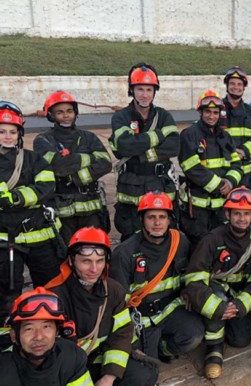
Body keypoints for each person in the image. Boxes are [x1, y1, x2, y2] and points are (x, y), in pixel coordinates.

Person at [45, 227, 158, 386]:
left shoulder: (113, 290)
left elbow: (122, 333)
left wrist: (109, 377)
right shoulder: (53, 298)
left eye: (100, 261)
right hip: (67, 368)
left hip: (98, 358)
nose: (94, 269)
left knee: (140, 374)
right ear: (71, 261)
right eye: (86, 261)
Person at [183, 187, 251, 379]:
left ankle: (228, 321)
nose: (242, 219)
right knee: (215, 303)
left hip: (239, 295)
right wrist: (218, 308)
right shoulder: (212, 239)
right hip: (215, 291)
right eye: (237, 213)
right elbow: (194, 279)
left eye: (247, 214)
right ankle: (214, 350)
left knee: (240, 340)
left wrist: (240, 305)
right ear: (228, 214)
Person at [110, 192, 203, 363]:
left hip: (171, 309)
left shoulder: (180, 241)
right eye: (151, 217)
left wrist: (189, 293)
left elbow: (190, 275)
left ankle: (163, 349)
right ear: (142, 220)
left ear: (169, 220)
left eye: (162, 217)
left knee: (194, 335)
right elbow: (118, 303)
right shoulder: (124, 253)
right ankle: (151, 348)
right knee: (146, 370)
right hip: (141, 318)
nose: (157, 223)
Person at [0, 102, 59, 320]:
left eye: (12, 132)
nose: (7, 136)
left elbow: (46, 186)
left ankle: (50, 325)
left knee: (50, 286)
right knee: (7, 293)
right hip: (6, 242)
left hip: (38, 238)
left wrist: (16, 198)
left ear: (20, 133)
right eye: (2, 131)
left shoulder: (34, 159)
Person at [109, 63, 180, 240]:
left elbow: (174, 145)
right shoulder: (121, 117)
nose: (145, 94)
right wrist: (159, 135)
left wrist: (143, 153)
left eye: (149, 89)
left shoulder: (164, 116)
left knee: (163, 232)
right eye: (140, 89)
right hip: (131, 185)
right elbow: (126, 146)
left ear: (155, 91)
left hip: (161, 183)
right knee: (131, 233)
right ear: (131, 90)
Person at [34, 90, 112, 242]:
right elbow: (58, 166)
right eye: (60, 112)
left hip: (91, 209)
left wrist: (77, 177)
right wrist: (89, 158)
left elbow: (105, 163)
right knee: (64, 254)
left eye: (69, 111)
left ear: (75, 112)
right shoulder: (42, 140)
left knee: (93, 250)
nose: (65, 115)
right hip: (61, 210)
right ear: (51, 115)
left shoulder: (89, 137)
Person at [0, 287, 95, 386]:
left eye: (46, 327)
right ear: (14, 336)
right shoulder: (3, 369)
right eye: (29, 329)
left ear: (56, 332)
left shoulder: (72, 358)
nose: (39, 337)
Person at [178, 90, 243, 244]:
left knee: (219, 245)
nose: (212, 116)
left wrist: (230, 182)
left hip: (221, 208)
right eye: (207, 111)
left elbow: (237, 164)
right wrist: (220, 185)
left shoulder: (225, 136)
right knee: (197, 246)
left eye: (215, 112)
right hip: (197, 209)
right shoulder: (189, 134)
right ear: (200, 112)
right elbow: (191, 167)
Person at [223, 66, 251, 189]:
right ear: (226, 85)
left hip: (246, 174)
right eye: (232, 83)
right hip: (223, 172)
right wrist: (233, 154)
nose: (236, 87)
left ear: (244, 87)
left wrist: (244, 152)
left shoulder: (250, 111)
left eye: (239, 84)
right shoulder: (217, 110)